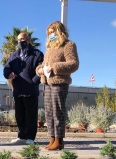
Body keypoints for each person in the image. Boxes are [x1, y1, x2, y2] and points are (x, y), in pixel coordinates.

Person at [36, 21, 79, 150]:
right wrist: (39, 70)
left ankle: (59, 140)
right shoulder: (49, 49)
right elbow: (43, 64)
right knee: (49, 112)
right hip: (47, 83)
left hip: (59, 83)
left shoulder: (68, 45)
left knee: (58, 111)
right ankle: (52, 138)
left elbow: (74, 64)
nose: (51, 35)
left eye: (53, 32)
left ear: (59, 31)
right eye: (49, 33)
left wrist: (54, 67)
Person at [3, 32, 44, 145]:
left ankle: (30, 137)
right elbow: (7, 67)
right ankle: (21, 136)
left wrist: (33, 82)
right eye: (18, 40)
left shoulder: (37, 54)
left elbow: (41, 69)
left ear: (28, 40)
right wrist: (9, 74)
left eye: (23, 39)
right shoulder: (14, 55)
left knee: (31, 115)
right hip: (18, 90)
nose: (20, 41)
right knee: (19, 115)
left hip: (30, 90)